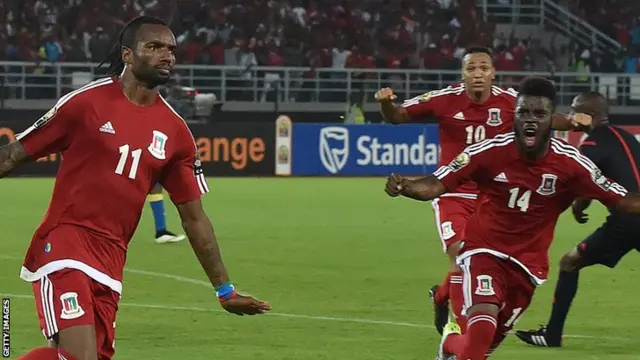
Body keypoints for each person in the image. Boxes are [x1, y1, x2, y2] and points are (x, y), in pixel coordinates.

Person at [0, 16, 271, 360]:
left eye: (171, 49)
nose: (166, 55)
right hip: (65, 244)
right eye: (154, 47)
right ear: (128, 55)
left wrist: (225, 289)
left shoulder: (176, 132)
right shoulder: (86, 104)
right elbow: (10, 157)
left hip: (111, 261)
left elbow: (194, 217)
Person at [384, 77, 640, 360]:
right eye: (524, 113)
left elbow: (623, 201)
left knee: (478, 348)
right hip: (484, 253)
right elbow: (436, 185)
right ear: (515, 115)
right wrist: (404, 186)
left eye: (540, 114)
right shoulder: (490, 151)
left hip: (527, 268)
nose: (530, 120)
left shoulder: (571, 164)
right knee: (478, 342)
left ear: (550, 119)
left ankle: (449, 342)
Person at [375, 46, 590, 334]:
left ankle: (441, 296)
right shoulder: (445, 99)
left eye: (483, 68)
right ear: (462, 73)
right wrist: (387, 103)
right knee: (460, 253)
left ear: (493, 73)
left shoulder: (510, 101)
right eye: (471, 69)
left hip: (493, 193)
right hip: (451, 188)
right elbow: (398, 115)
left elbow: (547, 117)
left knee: (481, 258)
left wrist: (575, 120)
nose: (478, 74)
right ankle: (457, 327)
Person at [515, 91, 640, 347]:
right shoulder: (628, 137)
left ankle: (552, 334)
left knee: (569, 263)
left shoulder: (592, 144)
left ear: (588, 115)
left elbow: (584, 181)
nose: (570, 115)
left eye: (574, 110)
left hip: (627, 221)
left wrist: (577, 206)